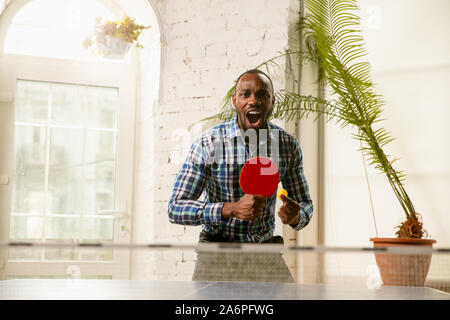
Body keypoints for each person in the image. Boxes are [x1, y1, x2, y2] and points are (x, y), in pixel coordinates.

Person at [168, 69, 313, 281]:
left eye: (262, 95)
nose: (253, 101)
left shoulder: (287, 146)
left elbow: (305, 204)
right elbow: (176, 207)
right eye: (245, 94)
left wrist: (296, 215)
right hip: (217, 256)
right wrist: (231, 209)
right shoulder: (208, 143)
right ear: (235, 101)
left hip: (265, 254)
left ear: (272, 102)